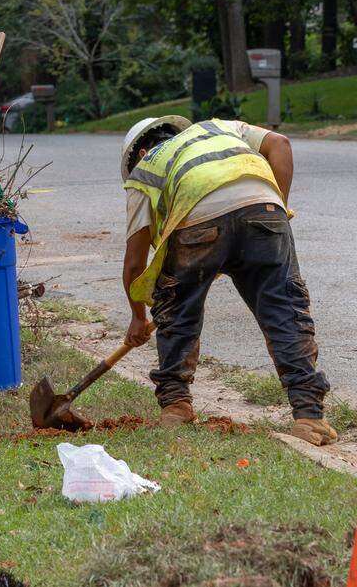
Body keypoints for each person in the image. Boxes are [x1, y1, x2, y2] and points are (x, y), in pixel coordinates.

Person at [119, 116, 337, 446]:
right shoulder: (220, 128)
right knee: (284, 308)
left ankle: (176, 408)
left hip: (196, 223)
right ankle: (309, 417)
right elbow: (280, 145)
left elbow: (136, 261)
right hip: (264, 210)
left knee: (178, 310)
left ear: (143, 150)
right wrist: (274, 212)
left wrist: (138, 317)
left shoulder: (146, 168)